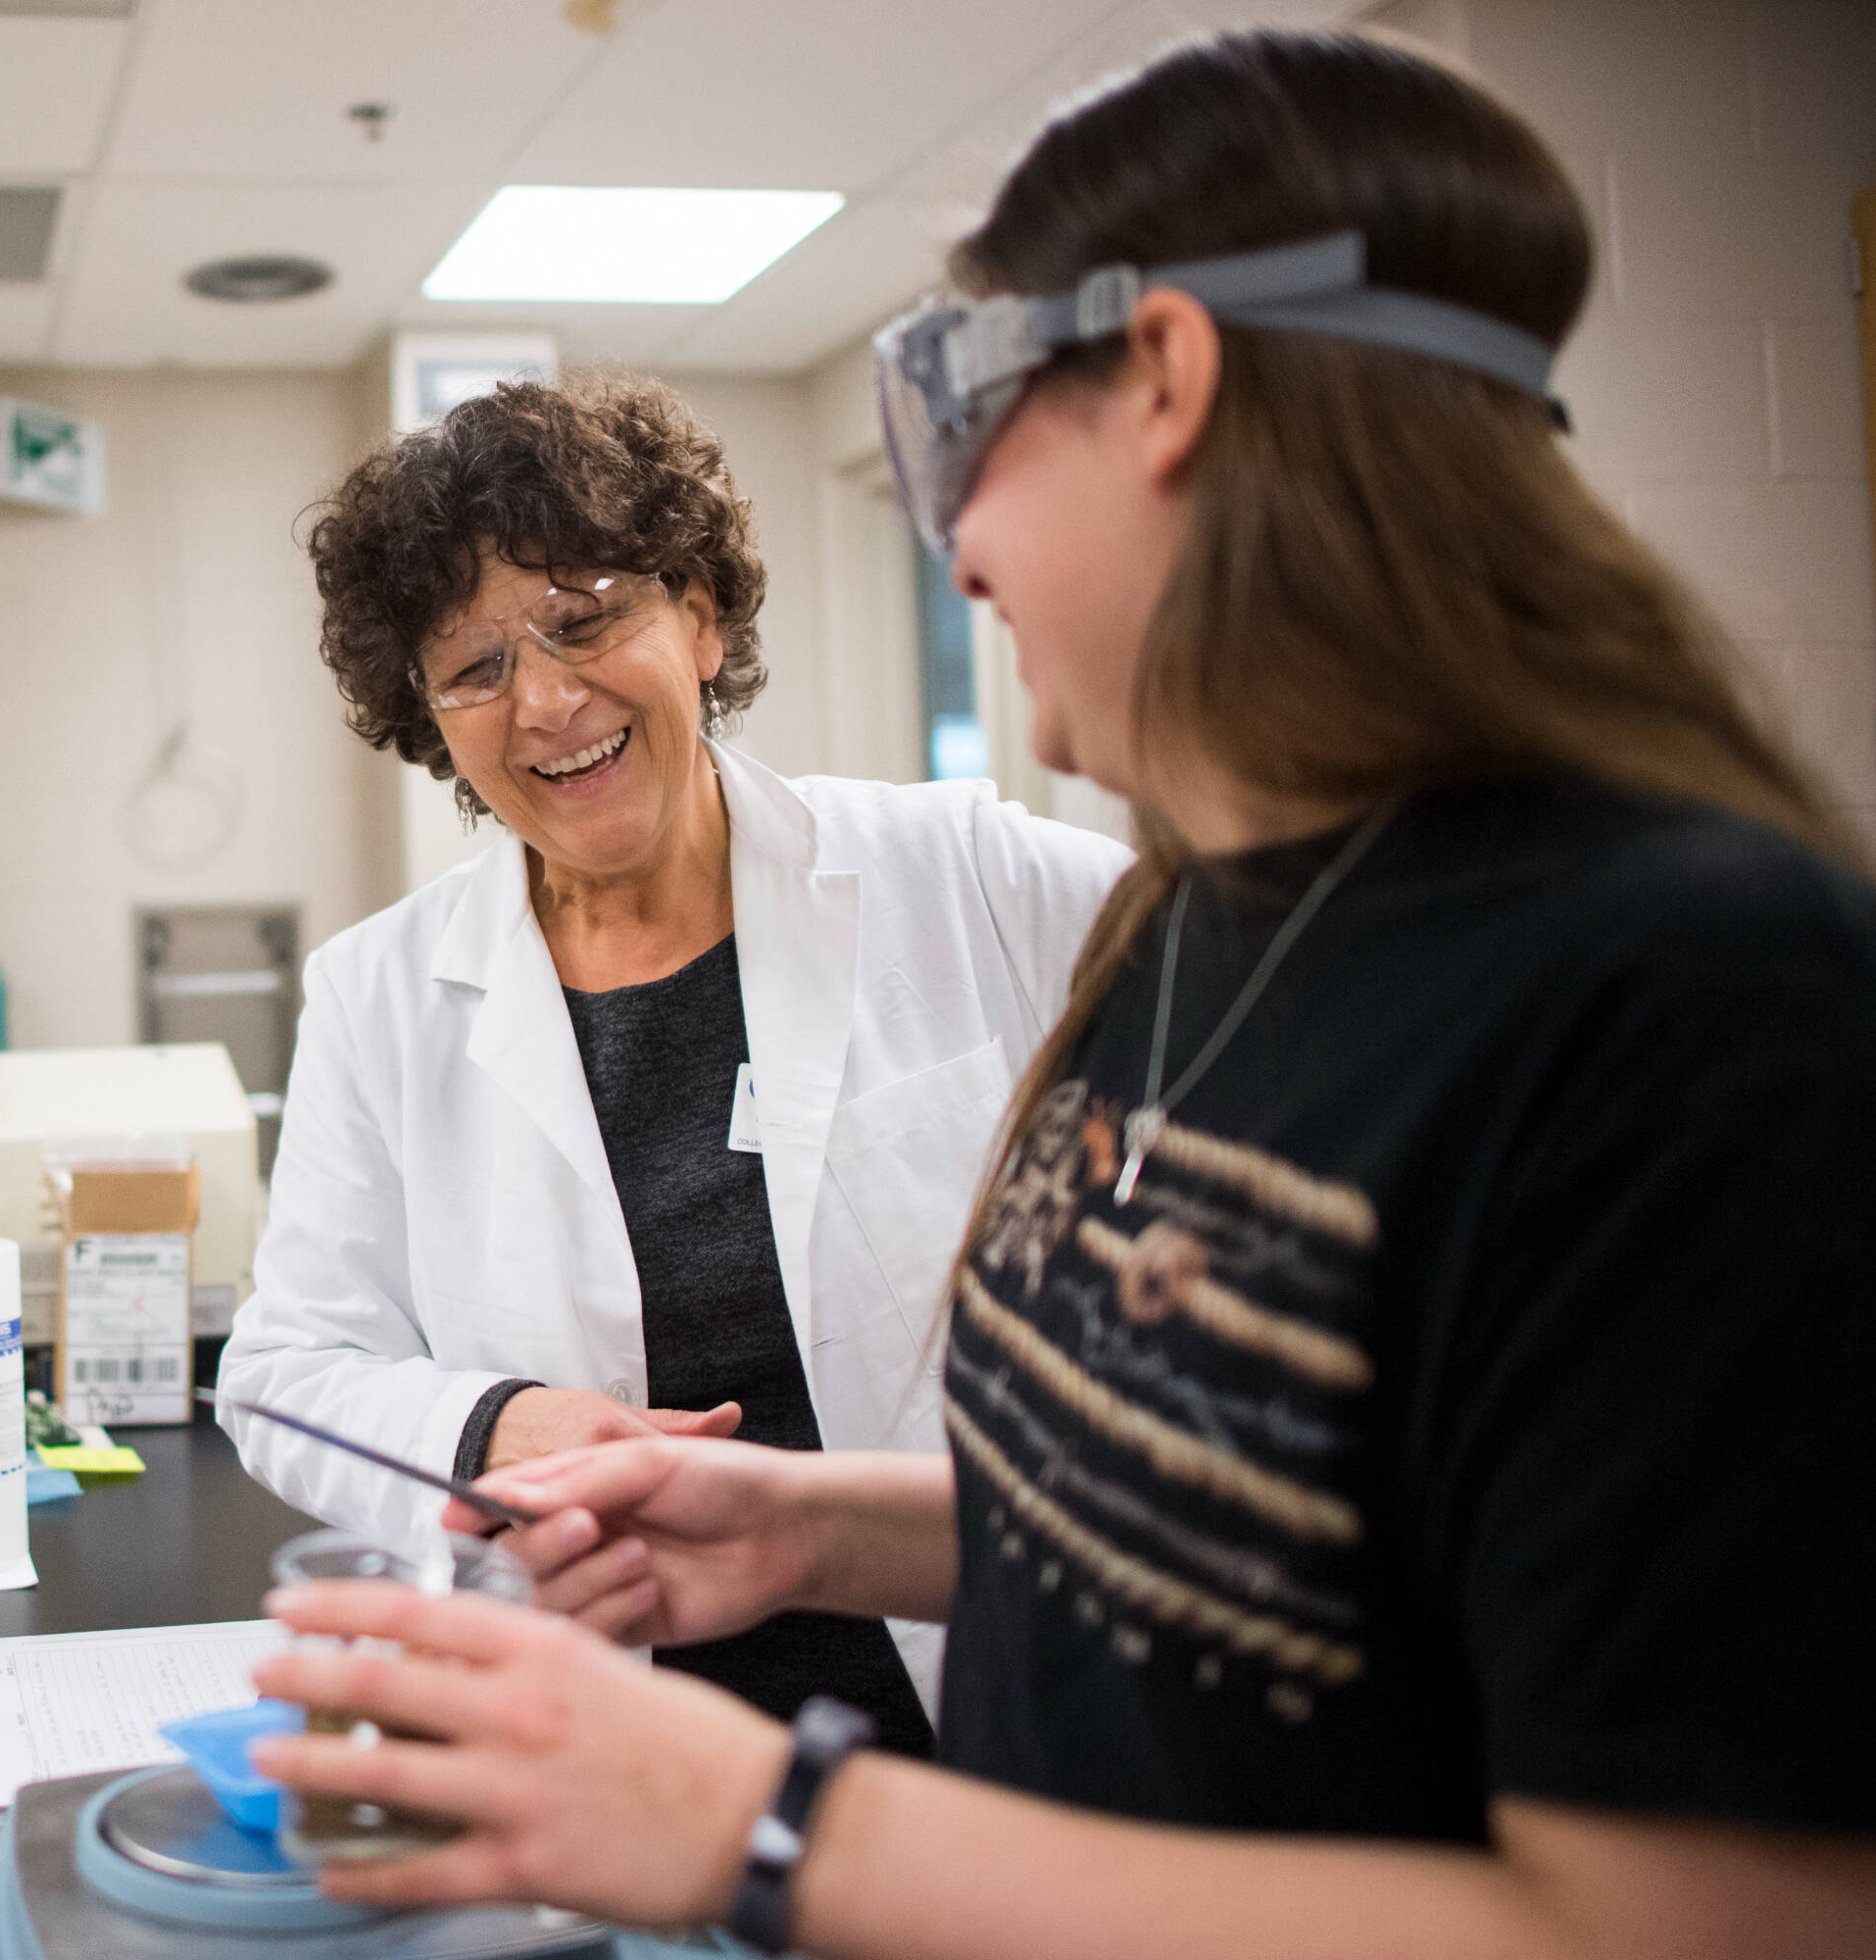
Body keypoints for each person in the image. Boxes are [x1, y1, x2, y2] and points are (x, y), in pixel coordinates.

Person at [252, 26, 1876, 1959]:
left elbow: (1722, 1919)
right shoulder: (1195, 928)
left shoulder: (1680, 994)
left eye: (958, 411)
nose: (958, 538)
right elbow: (1206, 1514)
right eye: (468, 669)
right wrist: (815, 1530)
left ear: (1167, 378)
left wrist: (771, 1832)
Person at [217, 373, 1130, 1751]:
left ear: (698, 617)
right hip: (613, 1753)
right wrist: (493, 1428)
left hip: (1002, 1721)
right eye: (474, 669)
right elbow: (283, 1369)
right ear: (433, 721)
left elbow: (1301, 994)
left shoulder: (970, 874)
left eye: (585, 621)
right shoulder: (380, 995)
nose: (544, 701)